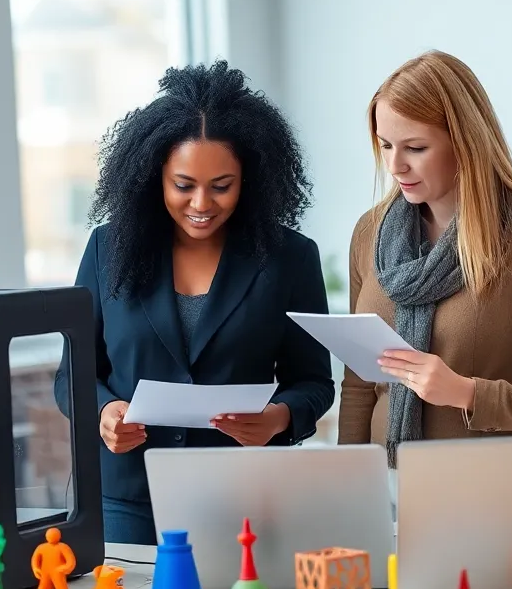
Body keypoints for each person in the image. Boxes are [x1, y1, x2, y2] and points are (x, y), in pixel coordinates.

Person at [54, 61, 336, 544]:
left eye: (221, 186)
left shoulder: (290, 258)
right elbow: (72, 376)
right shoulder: (108, 249)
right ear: (153, 177)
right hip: (124, 496)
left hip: (241, 496)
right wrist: (105, 412)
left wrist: (278, 418)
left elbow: (312, 381)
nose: (202, 203)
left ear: (250, 179)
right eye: (183, 185)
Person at [338, 50, 512, 467]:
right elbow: (358, 385)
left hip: (489, 492)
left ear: (464, 141)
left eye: (415, 147)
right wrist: (346, 487)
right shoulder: (369, 233)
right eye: (385, 145)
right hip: (385, 490)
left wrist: (466, 393)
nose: (394, 165)